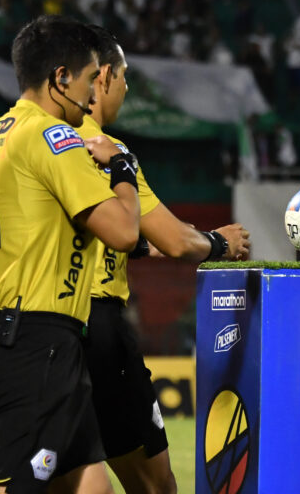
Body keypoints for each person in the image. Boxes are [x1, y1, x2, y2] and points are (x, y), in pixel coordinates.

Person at [0, 16, 140, 493]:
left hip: (23, 343)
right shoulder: (54, 139)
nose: (94, 96)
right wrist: (121, 167)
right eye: (91, 79)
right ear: (60, 79)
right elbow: (125, 232)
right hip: (38, 348)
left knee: (93, 484)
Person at [76, 25, 251, 494]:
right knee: (155, 485)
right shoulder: (111, 153)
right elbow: (175, 240)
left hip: (44, 332)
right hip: (100, 329)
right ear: (104, 75)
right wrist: (219, 242)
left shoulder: (36, 143)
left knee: (68, 478)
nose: (127, 89)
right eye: (126, 77)